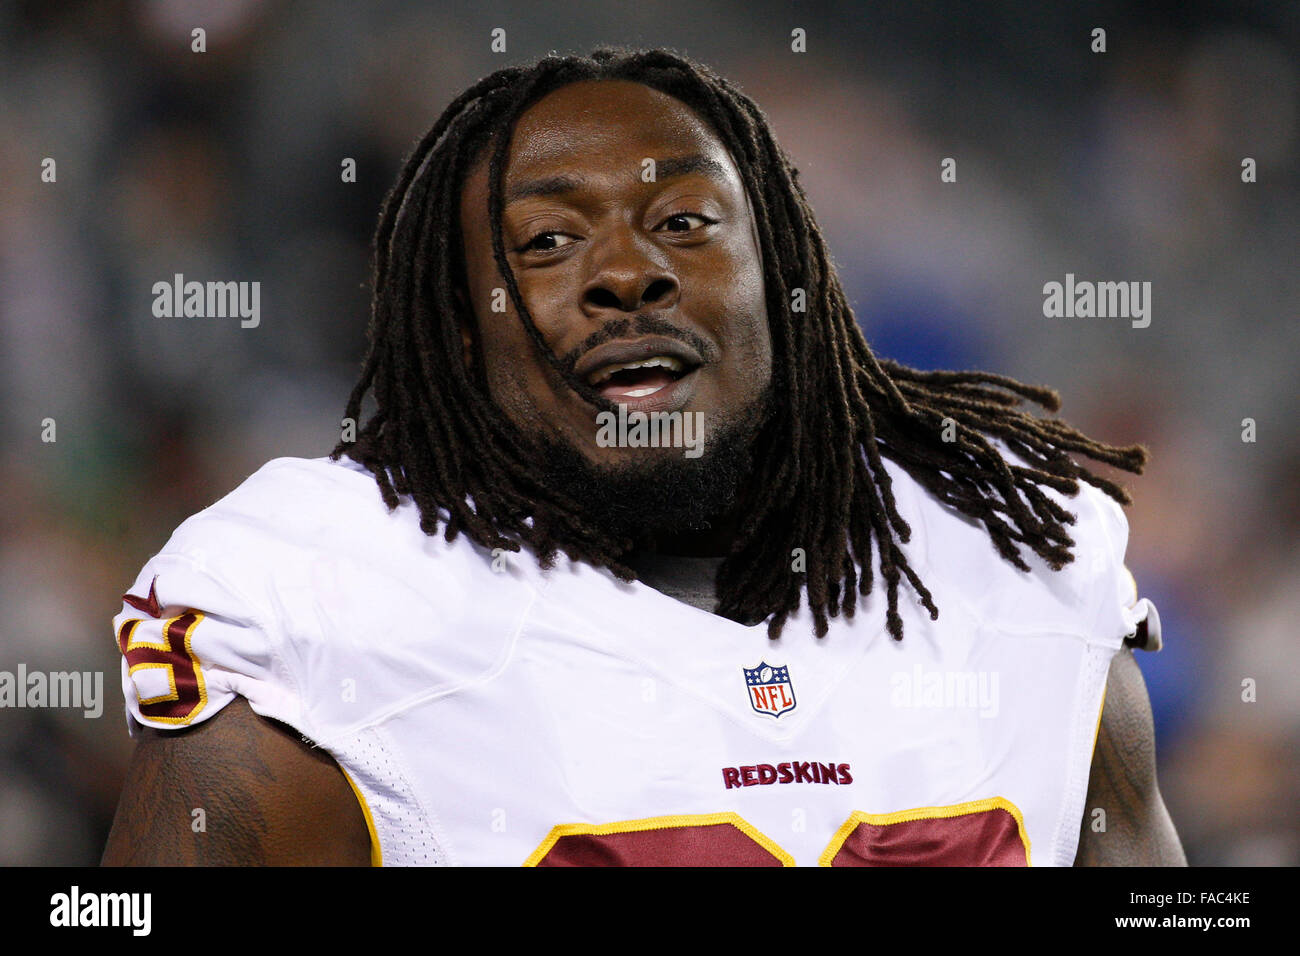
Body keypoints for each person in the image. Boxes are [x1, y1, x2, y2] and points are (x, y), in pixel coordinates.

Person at [102, 48, 1185, 866]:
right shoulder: (326, 595)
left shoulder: (1013, 561)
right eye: (546, 241)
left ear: (788, 281)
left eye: (685, 221)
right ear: (456, 324)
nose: (627, 271)